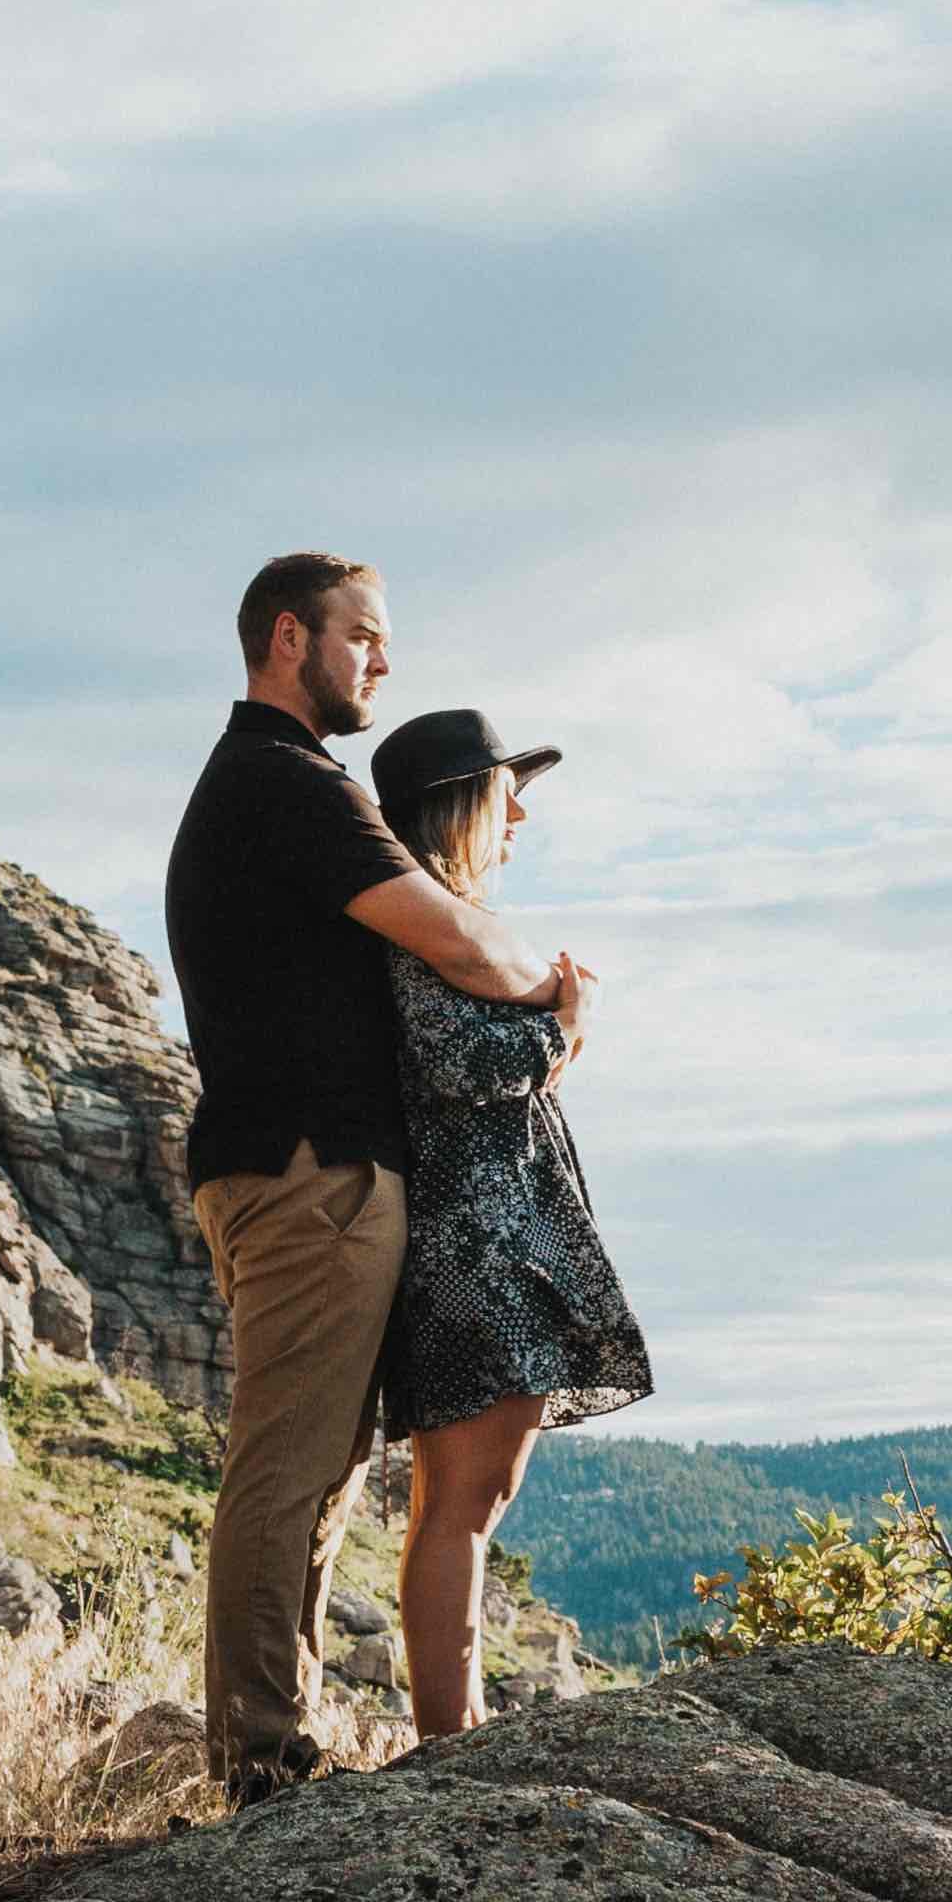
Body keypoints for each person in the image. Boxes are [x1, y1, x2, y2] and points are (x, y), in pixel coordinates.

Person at [163, 553, 563, 1798]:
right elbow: (461, 944)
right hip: (310, 1171)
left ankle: (276, 1746)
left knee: (319, 1469)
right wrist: (557, 990)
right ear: (290, 637)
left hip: (300, 1166)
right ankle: (260, 1760)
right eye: (364, 635)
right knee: (289, 1466)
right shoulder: (289, 783)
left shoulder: (268, 782)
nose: (382, 660)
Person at [368, 709, 651, 1735]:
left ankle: (460, 1725)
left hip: (491, 1241)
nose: (520, 815)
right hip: (473, 1248)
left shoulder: (444, 925)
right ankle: (451, 1737)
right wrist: (566, 1024)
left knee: (472, 1501)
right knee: (463, 1503)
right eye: (504, 794)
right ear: (456, 807)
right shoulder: (421, 925)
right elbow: (458, 1062)